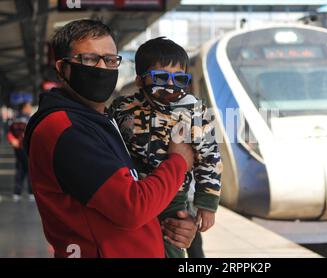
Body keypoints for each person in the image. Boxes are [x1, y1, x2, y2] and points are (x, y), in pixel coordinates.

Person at [23, 19, 197, 258]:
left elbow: (131, 191)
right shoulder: (65, 128)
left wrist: (170, 224)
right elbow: (131, 207)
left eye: (110, 59)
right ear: (63, 69)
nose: (103, 68)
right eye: (90, 59)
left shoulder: (103, 119)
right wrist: (177, 162)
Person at [110, 37, 222, 258]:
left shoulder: (195, 111)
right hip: (134, 193)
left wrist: (207, 204)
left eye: (179, 79)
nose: (170, 85)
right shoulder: (122, 108)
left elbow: (209, 157)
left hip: (173, 195)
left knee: (171, 245)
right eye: (160, 77)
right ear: (140, 81)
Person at [7, 102, 33, 202]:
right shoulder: (28, 119)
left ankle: (17, 192)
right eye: (29, 107)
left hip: (17, 147)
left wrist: (13, 140)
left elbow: (9, 132)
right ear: (25, 108)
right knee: (29, 169)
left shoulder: (14, 118)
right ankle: (30, 192)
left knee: (20, 169)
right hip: (25, 148)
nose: (30, 109)